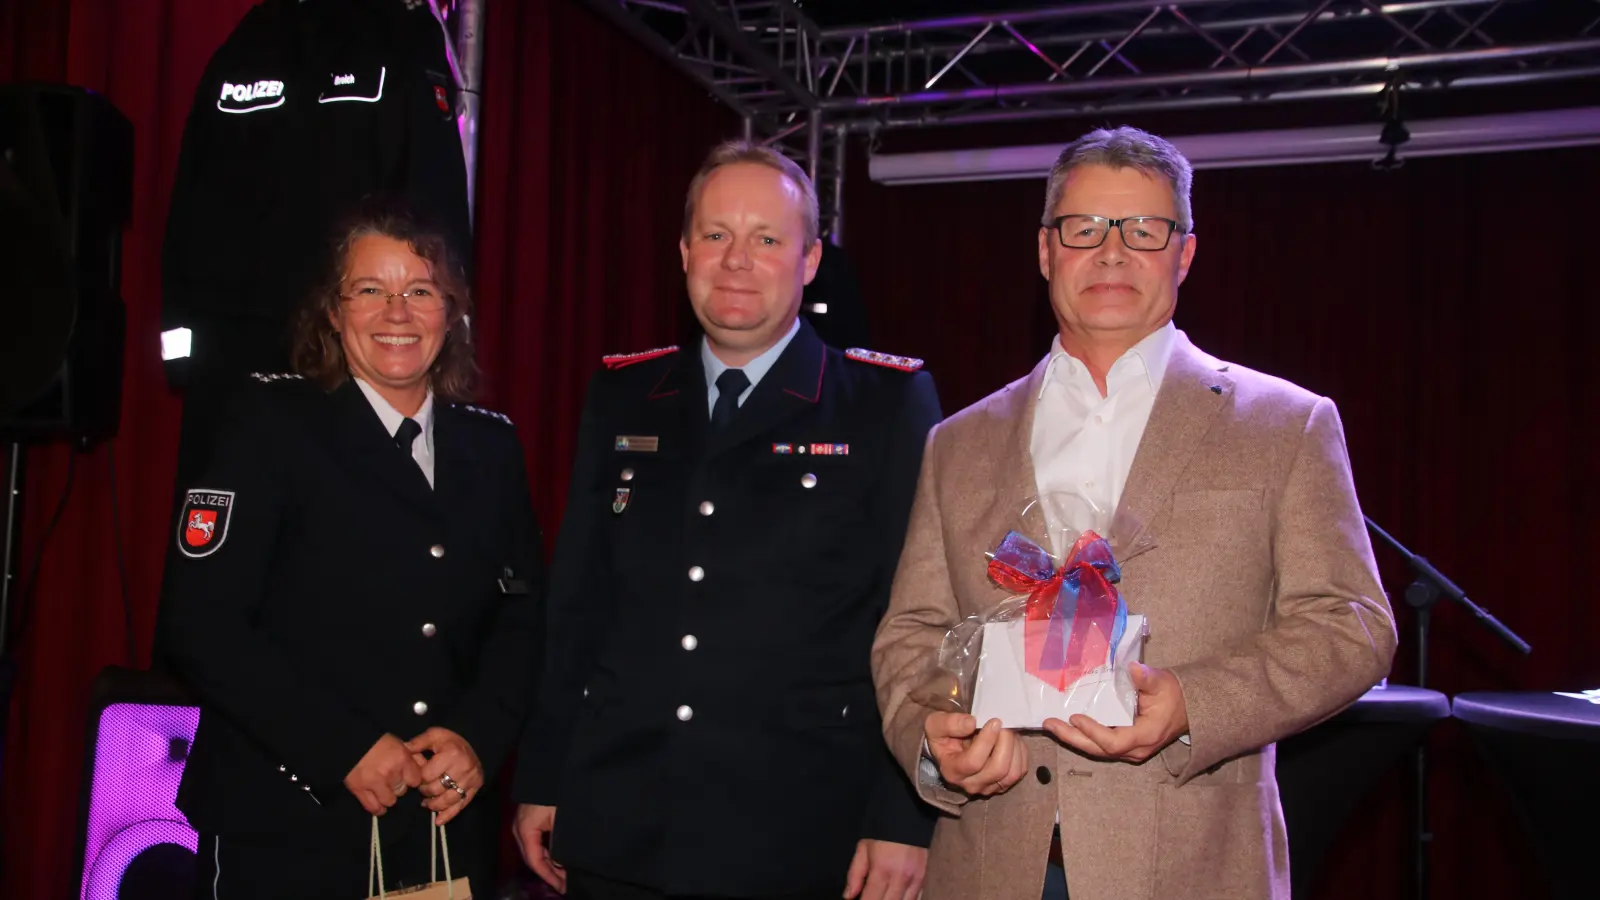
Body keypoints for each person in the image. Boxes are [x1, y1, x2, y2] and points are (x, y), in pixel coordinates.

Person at [869, 126, 1397, 900]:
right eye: (1083, 228)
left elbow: (1352, 623)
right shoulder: (958, 441)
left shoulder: (1286, 424)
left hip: (1192, 869)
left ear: (1184, 253)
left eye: (1144, 229)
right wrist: (931, 737)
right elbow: (910, 634)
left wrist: (1194, 703)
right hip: (988, 867)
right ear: (1046, 251)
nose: (1111, 251)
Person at [512, 140, 942, 900]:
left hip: (803, 833)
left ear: (809, 260)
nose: (736, 260)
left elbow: (914, 622)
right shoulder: (623, 394)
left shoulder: (881, 403)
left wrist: (902, 814)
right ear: (684, 251)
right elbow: (578, 605)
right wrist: (544, 774)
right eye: (716, 235)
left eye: (767, 239)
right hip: (623, 821)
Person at [159, 199, 545, 900]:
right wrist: (339, 748)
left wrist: (478, 738)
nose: (397, 312)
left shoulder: (493, 445)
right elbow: (201, 624)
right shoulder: (269, 423)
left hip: (441, 824)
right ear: (333, 314)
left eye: (419, 291)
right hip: (288, 824)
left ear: (450, 313)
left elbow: (521, 618)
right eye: (370, 290)